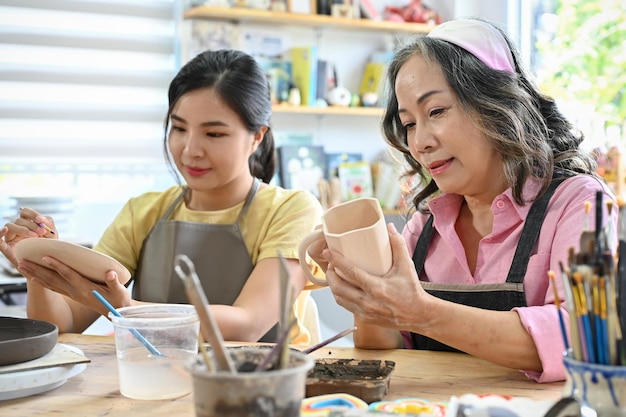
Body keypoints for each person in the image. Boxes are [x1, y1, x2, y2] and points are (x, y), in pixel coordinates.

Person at [310, 18, 618, 382]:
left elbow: (582, 338)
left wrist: (420, 311)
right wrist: (366, 284)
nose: (420, 142)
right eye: (409, 123)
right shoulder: (426, 224)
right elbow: (386, 347)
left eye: (436, 112)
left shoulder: (577, 203)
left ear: (494, 103)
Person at [0, 49, 323, 344]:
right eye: (179, 128)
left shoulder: (292, 210)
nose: (190, 150)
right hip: (159, 382)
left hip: (263, 390)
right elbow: (66, 324)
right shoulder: (143, 211)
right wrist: (40, 269)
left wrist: (129, 309)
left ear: (257, 136)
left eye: (214, 134)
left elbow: (248, 325)